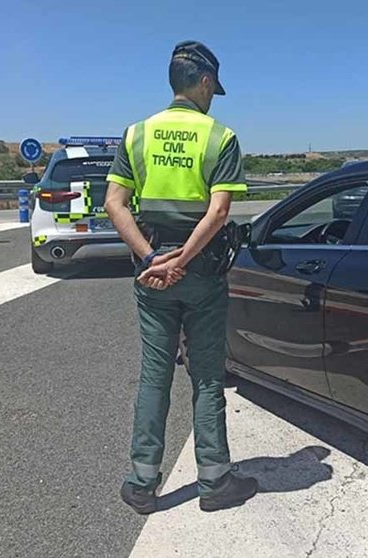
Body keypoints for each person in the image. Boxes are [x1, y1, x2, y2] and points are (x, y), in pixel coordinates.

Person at [104, 40, 258, 514]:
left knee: (154, 377)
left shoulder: (136, 135)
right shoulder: (220, 137)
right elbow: (218, 212)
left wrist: (154, 259)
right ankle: (214, 484)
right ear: (205, 82)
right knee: (208, 379)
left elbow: (114, 204)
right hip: (203, 274)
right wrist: (183, 260)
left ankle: (141, 483)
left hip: (152, 278)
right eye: (215, 88)